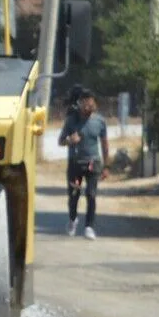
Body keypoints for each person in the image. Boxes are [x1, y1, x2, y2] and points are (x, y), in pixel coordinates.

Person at [60, 86, 109, 238]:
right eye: (86, 104)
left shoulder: (100, 121)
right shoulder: (71, 121)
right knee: (74, 194)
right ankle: (73, 219)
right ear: (80, 104)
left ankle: (89, 227)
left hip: (93, 163)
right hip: (75, 164)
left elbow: (105, 144)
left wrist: (106, 166)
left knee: (91, 194)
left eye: (92, 105)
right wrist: (69, 140)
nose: (89, 107)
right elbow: (61, 141)